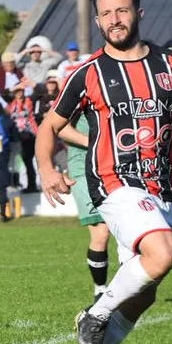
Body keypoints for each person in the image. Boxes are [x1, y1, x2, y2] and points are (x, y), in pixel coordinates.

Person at [36, 0, 172, 344]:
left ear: (138, 12)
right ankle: (95, 314)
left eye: (121, 10)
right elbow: (51, 124)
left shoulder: (171, 64)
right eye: (105, 13)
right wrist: (47, 168)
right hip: (114, 182)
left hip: (160, 188)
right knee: (165, 252)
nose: (114, 19)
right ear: (98, 22)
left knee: (144, 293)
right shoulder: (88, 73)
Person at [56, 111, 112, 300]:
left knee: (127, 232)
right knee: (101, 233)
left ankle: (127, 290)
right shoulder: (82, 86)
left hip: (115, 167)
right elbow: (59, 127)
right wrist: (93, 142)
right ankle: (101, 289)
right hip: (84, 168)